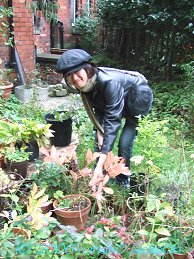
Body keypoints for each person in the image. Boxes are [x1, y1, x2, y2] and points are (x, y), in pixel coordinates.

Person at [56, 49, 153, 188]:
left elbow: (113, 121)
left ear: (87, 69)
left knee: (124, 142)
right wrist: (100, 132)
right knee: (100, 141)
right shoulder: (86, 85)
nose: (75, 78)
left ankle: (122, 179)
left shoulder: (109, 82)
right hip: (116, 100)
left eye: (77, 72)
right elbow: (100, 108)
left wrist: (106, 134)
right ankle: (99, 174)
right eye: (69, 75)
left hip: (137, 98)